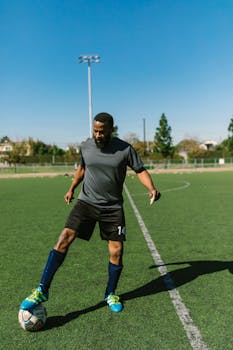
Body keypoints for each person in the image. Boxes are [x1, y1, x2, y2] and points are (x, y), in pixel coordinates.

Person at [20, 112, 161, 313]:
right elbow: (82, 169)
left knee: (116, 251)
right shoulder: (86, 146)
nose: (98, 135)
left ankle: (110, 293)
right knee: (63, 239)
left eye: (102, 131)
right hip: (86, 202)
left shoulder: (125, 149)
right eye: (95, 131)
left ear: (111, 130)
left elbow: (140, 170)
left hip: (112, 207)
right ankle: (42, 289)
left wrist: (151, 188)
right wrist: (72, 188)